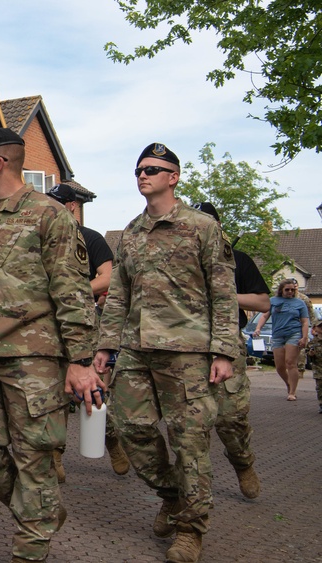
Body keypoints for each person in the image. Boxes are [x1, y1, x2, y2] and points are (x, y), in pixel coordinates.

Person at [0, 128, 101, 563]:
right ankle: (40, 511)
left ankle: (30, 543)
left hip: (35, 358)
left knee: (35, 453)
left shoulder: (49, 216)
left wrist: (81, 360)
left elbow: (73, 293)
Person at [93, 143, 239, 563]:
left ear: (173, 177)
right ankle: (172, 495)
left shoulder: (202, 227)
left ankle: (190, 530)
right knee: (131, 429)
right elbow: (119, 294)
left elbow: (223, 293)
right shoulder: (132, 232)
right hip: (137, 350)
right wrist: (106, 344)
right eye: (138, 169)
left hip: (188, 352)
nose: (143, 175)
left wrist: (224, 351)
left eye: (153, 169)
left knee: (190, 441)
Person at [46, 183, 128, 478]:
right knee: (52, 393)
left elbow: (107, 279)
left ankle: (113, 440)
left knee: (91, 391)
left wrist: (73, 294)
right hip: (48, 327)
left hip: (83, 323)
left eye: (56, 202)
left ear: (71, 206)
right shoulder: (42, 237)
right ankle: (55, 455)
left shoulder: (91, 238)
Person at [194, 202, 270, 499]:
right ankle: (192, 495)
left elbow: (263, 303)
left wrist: (224, 295)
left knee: (230, 419)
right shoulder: (181, 262)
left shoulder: (237, 260)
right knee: (191, 425)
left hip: (226, 343)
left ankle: (242, 462)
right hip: (188, 346)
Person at [253, 278, 310, 400]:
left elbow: (305, 322)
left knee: (290, 362)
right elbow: (264, 315)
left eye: (292, 290)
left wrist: (304, 337)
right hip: (278, 335)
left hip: (294, 333)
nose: (290, 292)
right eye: (287, 290)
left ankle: (292, 392)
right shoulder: (273, 301)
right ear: (281, 290)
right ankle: (288, 383)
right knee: (279, 366)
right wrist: (258, 328)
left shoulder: (300, 303)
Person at [291, 279, 319, 377]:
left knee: (301, 349)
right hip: (289, 327)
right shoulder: (286, 298)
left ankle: (300, 370)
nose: (293, 289)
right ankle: (291, 369)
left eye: (295, 287)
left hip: (301, 326)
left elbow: (311, 314)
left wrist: (314, 326)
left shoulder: (304, 299)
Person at [306, 320, 322, 413]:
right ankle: (321, 404)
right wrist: (310, 354)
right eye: (320, 327)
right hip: (318, 368)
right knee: (320, 387)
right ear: (315, 328)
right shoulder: (313, 342)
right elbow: (308, 355)